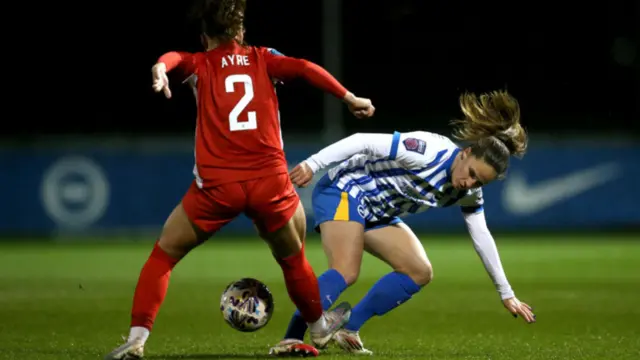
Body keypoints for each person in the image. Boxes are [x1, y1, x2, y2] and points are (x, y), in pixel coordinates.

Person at [105, 0, 375, 359]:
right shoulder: (264, 58)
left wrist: (159, 67)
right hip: (270, 183)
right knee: (292, 259)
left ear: (205, 38)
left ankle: (137, 339)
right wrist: (348, 96)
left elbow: (172, 57)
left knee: (164, 255)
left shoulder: (199, 63)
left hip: (218, 187)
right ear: (241, 32)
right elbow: (305, 68)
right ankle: (319, 325)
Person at [269, 90, 536, 357]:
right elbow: (362, 141)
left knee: (419, 271)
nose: (470, 183)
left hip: (377, 211)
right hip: (345, 189)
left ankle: (347, 329)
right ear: (465, 153)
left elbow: (481, 235)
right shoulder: (428, 151)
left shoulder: (468, 192)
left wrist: (506, 292)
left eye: (480, 182)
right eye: (472, 174)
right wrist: (313, 164)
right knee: (346, 270)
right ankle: (291, 337)